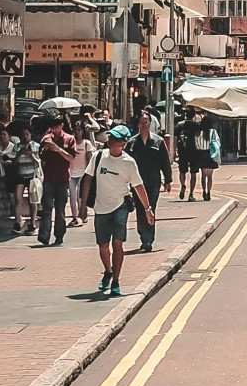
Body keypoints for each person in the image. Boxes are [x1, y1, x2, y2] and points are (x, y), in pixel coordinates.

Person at [90, 123, 151, 298]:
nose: (111, 141)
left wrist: (148, 209)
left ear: (123, 143)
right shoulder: (98, 156)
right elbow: (88, 179)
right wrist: (81, 206)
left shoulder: (128, 163)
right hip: (101, 207)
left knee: (117, 243)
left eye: (115, 139)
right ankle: (108, 271)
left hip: (120, 206)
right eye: (110, 138)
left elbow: (138, 186)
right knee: (103, 246)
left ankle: (116, 280)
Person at [129, 114, 171, 250]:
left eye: (147, 123)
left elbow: (165, 162)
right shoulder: (131, 143)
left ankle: (149, 239)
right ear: (138, 125)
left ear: (150, 124)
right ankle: (143, 236)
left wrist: (168, 180)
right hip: (136, 182)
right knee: (140, 210)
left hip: (153, 181)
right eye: (142, 123)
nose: (144, 125)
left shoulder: (158, 141)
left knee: (151, 207)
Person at [37, 114, 75, 245]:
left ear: (62, 126)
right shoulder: (46, 139)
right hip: (49, 178)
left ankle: (59, 234)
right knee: (46, 207)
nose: (54, 129)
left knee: (60, 209)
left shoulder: (69, 139)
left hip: (63, 179)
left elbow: (71, 157)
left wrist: (58, 149)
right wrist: (46, 149)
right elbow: (41, 157)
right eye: (53, 127)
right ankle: (44, 235)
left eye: (57, 126)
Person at [10, 123, 41, 234]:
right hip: (20, 175)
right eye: (23, 135)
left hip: (32, 176)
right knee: (18, 199)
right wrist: (19, 154)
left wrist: (30, 154)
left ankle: (32, 224)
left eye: (27, 134)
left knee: (32, 200)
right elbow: (13, 162)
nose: (25, 137)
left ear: (30, 135)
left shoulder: (36, 146)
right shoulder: (17, 146)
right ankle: (18, 222)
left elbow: (38, 163)